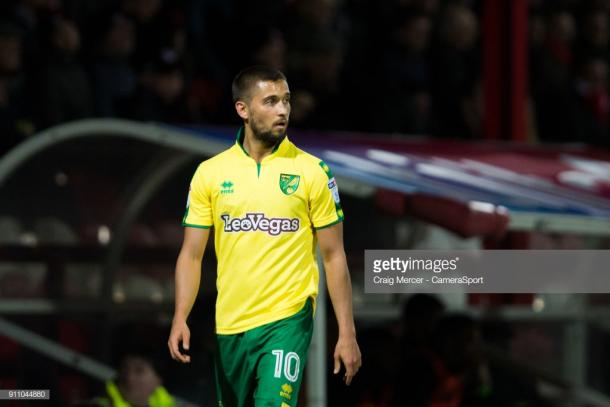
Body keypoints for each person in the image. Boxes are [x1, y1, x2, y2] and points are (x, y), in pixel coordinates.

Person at [167, 65, 361, 406]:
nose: (283, 110)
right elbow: (191, 254)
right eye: (270, 101)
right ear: (243, 109)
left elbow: (334, 255)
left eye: (286, 100)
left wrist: (347, 332)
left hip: (287, 319)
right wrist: (180, 315)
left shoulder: (313, 171)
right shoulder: (210, 174)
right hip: (230, 325)